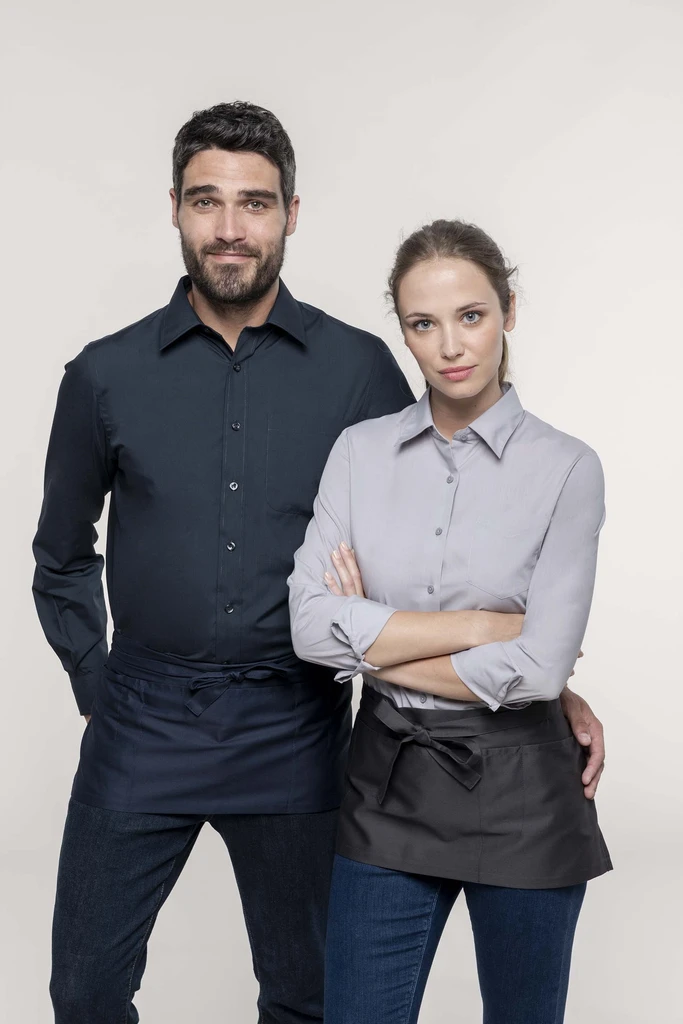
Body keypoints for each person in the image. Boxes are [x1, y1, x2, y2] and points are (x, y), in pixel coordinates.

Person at [32, 99, 605, 1023]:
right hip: (141, 720)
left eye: (254, 203)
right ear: (174, 209)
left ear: (290, 213)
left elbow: (438, 529)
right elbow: (61, 551)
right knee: (84, 989)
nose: (230, 228)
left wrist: (546, 685)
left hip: (294, 724)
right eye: (206, 201)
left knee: (307, 996)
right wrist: (96, 682)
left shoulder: (359, 368)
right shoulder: (104, 374)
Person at [288, 218, 612, 1024]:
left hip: (525, 791)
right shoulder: (358, 453)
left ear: (508, 310)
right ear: (403, 332)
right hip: (386, 780)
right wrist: (476, 626)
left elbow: (538, 669)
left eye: (470, 315)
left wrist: (370, 645)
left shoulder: (567, 468)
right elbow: (308, 626)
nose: (450, 346)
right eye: (422, 324)